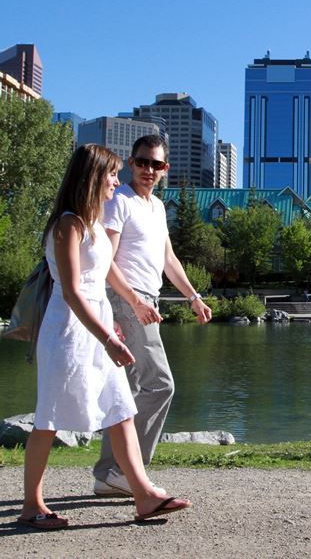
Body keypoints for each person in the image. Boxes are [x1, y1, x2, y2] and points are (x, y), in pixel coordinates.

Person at [19, 144, 190, 530]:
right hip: (67, 331)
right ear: (93, 177)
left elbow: (106, 275)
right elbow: (72, 291)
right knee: (48, 419)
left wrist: (115, 320)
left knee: (121, 409)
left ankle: (144, 496)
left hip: (98, 325)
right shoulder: (68, 224)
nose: (117, 181)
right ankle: (32, 505)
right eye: (112, 174)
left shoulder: (93, 223)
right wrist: (107, 336)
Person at [92, 135, 212, 497]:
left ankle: (108, 475)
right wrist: (132, 303)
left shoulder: (157, 207)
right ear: (131, 163)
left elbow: (168, 260)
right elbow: (106, 260)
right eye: (142, 162)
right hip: (127, 300)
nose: (148, 170)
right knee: (160, 385)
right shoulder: (120, 202)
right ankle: (129, 472)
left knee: (126, 393)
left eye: (156, 165)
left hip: (146, 299)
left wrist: (193, 296)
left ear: (165, 169)